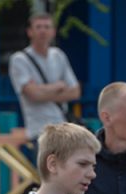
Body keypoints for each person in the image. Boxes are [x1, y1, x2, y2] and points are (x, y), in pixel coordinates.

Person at [9, 12, 81, 140]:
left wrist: (41, 90)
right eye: (38, 27)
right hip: (39, 131)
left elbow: (75, 92)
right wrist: (58, 86)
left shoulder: (58, 55)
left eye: (47, 27)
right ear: (29, 32)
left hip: (63, 127)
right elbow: (33, 95)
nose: (43, 31)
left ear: (53, 31)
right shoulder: (19, 59)